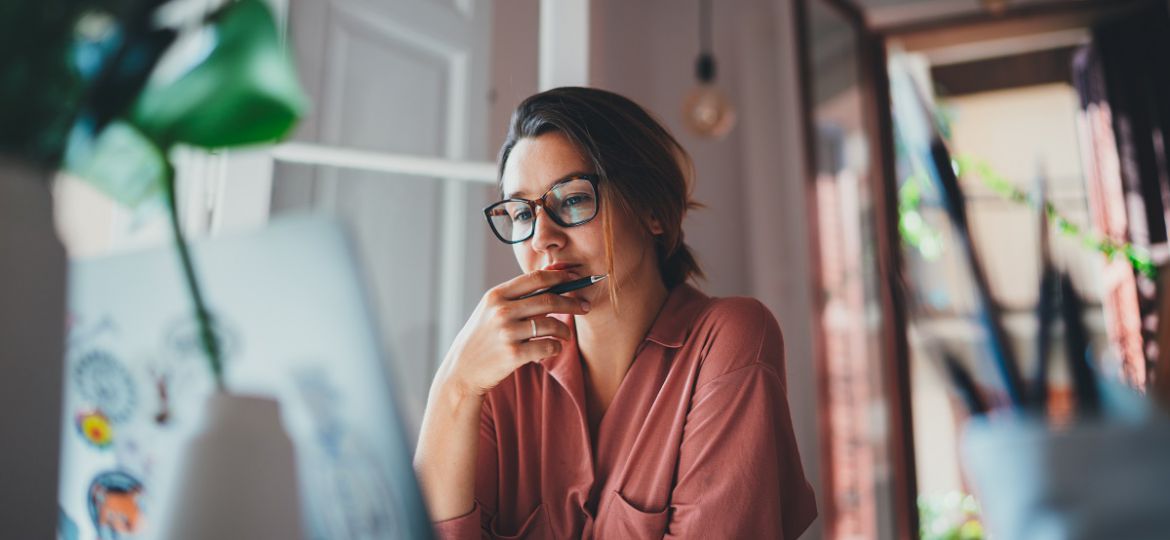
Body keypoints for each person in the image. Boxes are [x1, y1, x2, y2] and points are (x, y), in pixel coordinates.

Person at [414, 87, 816, 539]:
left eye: (572, 199)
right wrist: (455, 385)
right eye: (521, 213)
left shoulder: (728, 340)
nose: (542, 237)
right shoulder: (501, 374)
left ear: (653, 211)